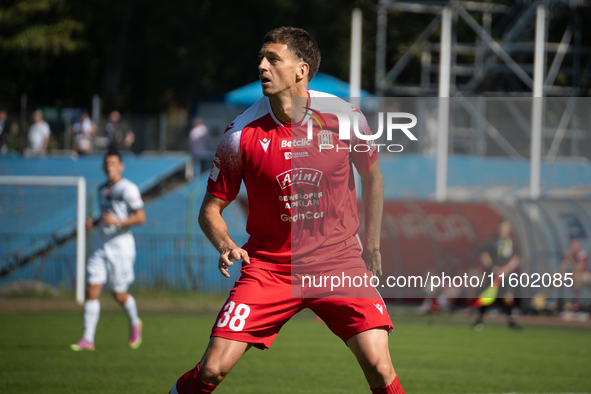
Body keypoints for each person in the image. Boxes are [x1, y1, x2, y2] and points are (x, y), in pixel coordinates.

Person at [168, 27, 404, 394]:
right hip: (269, 268)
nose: (262, 66)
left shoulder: (345, 116)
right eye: (261, 58)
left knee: (380, 366)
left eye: (273, 59)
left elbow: (373, 178)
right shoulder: (240, 134)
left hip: (338, 262)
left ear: (301, 69)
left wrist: (370, 246)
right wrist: (226, 243)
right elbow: (210, 209)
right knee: (212, 369)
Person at [71, 148, 146, 351]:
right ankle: (88, 339)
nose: (109, 166)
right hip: (100, 245)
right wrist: (94, 223)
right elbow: (107, 216)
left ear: (121, 166)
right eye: (107, 163)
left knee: (118, 294)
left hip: (121, 247)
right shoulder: (102, 189)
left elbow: (140, 217)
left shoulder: (128, 188)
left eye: (113, 163)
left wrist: (118, 221)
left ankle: (134, 322)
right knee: (92, 289)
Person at [472, 219, 522, 330]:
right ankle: (479, 321)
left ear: (509, 229)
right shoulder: (491, 241)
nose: (503, 229)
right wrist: (492, 267)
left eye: (505, 227)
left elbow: (515, 259)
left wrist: (507, 268)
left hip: (505, 275)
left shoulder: (512, 243)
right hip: (493, 274)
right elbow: (484, 255)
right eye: (501, 227)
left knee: (508, 297)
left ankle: (512, 322)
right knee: (487, 297)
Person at [559, 236, 589, 311]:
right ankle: (556, 301)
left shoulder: (582, 253)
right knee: (557, 277)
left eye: (575, 244)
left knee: (576, 276)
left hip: (584, 274)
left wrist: (571, 258)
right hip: (572, 274)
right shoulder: (568, 252)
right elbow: (561, 267)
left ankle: (577, 303)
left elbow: (579, 268)